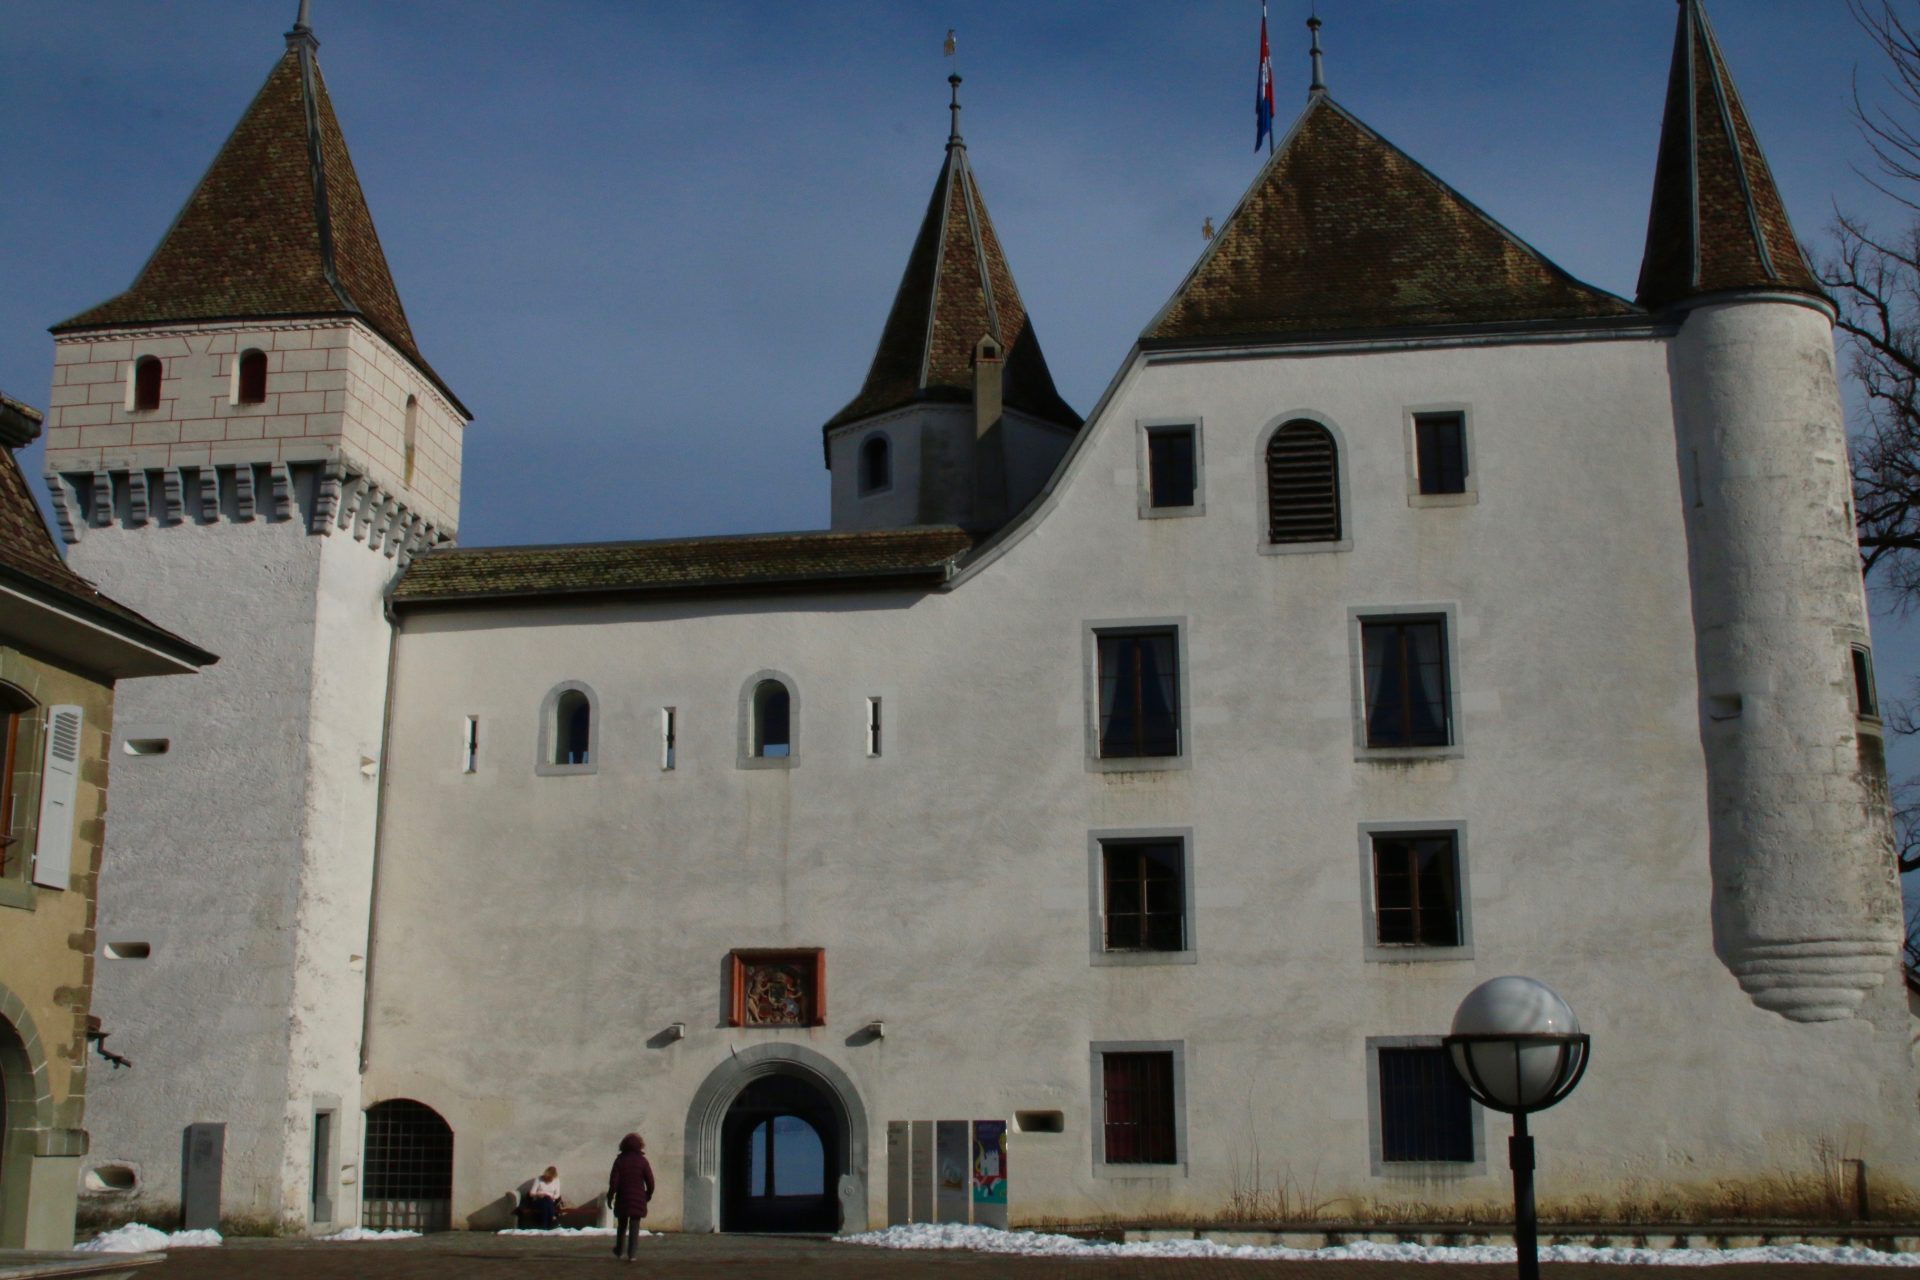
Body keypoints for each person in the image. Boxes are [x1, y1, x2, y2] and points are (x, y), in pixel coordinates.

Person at [606, 1132, 655, 1260]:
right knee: (635, 1225)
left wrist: (610, 1196)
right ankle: (632, 1254)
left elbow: (614, 1182)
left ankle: (619, 1250)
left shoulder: (620, 1160)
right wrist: (648, 1194)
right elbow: (650, 1181)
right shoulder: (643, 1161)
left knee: (621, 1225)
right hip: (638, 1197)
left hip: (623, 1197)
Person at [526, 1165, 563, 1230]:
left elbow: (557, 1194)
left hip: (550, 1200)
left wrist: (552, 1197)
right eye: (548, 1178)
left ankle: (544, 1226)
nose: (549, 1180)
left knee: (547, 1201)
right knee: (546, 1200)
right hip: (539, 1200)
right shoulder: (539, 1179)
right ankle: (553, 1219)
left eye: (551, 1179)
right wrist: (538, 1194)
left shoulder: (556, 1180)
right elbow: (532, 1193)